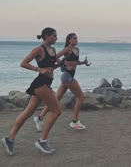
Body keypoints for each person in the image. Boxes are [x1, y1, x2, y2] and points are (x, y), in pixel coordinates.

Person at [1, 27, 62, 155]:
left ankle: (9, 139)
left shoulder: (53, 50)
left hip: (44, 83)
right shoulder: (39, 49)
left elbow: (50, 67)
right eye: (54, 36)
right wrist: (38, 70)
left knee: (28, 112)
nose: (56, 38)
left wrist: (59, 65)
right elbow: (23, 63)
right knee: (56, 111)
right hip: (41, 84)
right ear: (46, 36)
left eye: (56, 36)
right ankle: (42, 140)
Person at [34, 33, 91, 132]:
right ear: (69, 40)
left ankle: (39, 118)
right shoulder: (67, 50)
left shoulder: (77, 50)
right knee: (80, 97)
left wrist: (83, 63)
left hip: (69, 76)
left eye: (77, 38)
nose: (76, 39)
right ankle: (75, 121)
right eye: (74, 38)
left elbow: (75, 62)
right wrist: (63, 63)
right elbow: (54, 57)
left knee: (55, 99)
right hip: (67, 76)